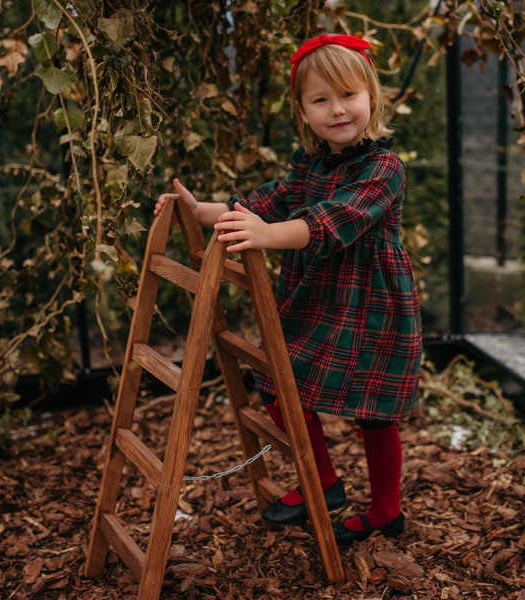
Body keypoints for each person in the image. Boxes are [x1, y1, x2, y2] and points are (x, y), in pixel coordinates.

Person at [154, 33, 423, 546]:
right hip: (319, 301)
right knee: (278, 382)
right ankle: (322, 482)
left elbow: (332, 221)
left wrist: (267, 237)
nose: (338, 109)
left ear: (372, 97)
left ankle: (388, 510)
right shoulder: (309, 168)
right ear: (303, 110)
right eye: (321, 99)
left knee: (374, 413)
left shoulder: (385, 169)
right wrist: (197, 210)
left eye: (348, 95)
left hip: (371, 309)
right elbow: (262, 205)